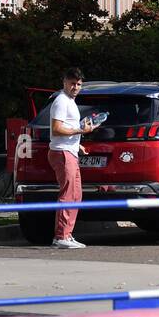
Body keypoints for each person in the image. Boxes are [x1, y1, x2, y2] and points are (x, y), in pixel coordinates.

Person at [48, 68, 94, 249]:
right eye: (72, 83)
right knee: (68, 194)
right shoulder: (61, 101)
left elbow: (66, 128)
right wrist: (81, 131)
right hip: (62, 153)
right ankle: (60, 237)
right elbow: (56, 129)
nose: (75, 87)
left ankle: (67, 234)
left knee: (76, 195)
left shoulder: (70, 101)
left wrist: (78, 144)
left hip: (70, 151)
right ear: (64, 82)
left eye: (79, 84)